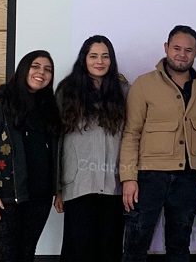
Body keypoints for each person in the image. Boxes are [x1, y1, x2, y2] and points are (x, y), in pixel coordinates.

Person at [119, 25, 196, 261]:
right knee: (135, 246)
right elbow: (131, 133)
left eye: (188, 50)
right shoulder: (144, 84)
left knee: (179, 247)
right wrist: (129, 178)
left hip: (188, 177)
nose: (182, 54)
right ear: (166, 48)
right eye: (176, 48)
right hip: (148, 177)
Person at [0, 50, 60, 262]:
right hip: (4, 199)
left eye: (47, 69)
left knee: (26, 255)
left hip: (39, 197)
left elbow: (54, 152)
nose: (41, 72)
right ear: (23, 69)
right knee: (5, 257)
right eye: (36, 66)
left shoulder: (49, 108)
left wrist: (57, 189)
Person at [53, 35, 128, 262]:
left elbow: (131, 137)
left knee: (110, 250)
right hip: (78, 186)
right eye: (93, 56)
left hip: (114, 185)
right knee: (79, 251)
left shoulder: (124, 91)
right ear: (84, 59)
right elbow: (57, 141)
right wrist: (57, 188)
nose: (100, 61)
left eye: (105, 56)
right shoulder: (67, 90)